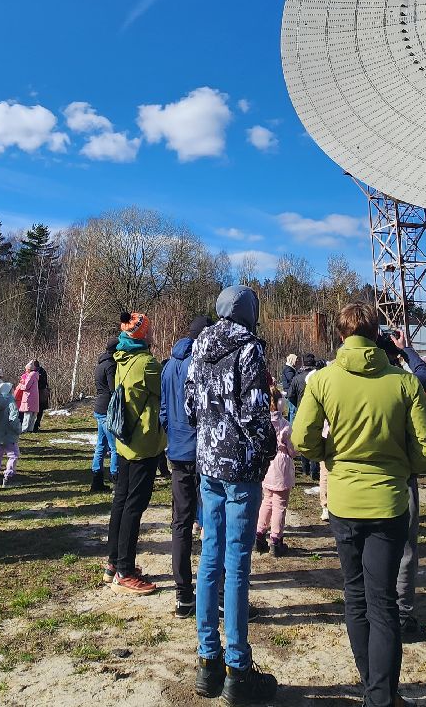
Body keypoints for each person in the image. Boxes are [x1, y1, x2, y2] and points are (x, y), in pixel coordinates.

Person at [293, 303, 426, 707]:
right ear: (377, 334)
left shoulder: (322, 380)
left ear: (340, 336)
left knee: (355, 594)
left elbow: (302, 437)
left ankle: (371, 684)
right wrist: (402, 466)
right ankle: (381, 694)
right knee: (383, 601)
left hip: (343, 500)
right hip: (389, 501)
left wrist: (330, 457)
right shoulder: (403, 383)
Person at [185, 286, 279, 704]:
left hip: (208, 464)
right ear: (249, 314)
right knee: (237, 566)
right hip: (240, 468)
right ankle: (237, 668)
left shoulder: (198, 348)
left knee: (210, 557)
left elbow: (190, 409)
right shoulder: (249, 349)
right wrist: (267, 450)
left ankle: (208, 663)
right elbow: (256, 411)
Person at [380, 328, 426, 643]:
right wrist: (408, 351)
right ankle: (401, 615)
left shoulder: (343, 378)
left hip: (360, 478)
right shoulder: (403, 383)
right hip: (401, 473)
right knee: (404, 548)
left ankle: (372, 609)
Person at [105, 312, 166, 595]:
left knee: (121, 501)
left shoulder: (121, 358)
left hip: (124, 441)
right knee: (134, 506)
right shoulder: (147, 364)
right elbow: (165, 392)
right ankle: (126, 571)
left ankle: (113, 563)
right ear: (141, 334)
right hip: (142, 444)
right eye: (149, 330)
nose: (152, 334)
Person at [162, 316, 208, 619]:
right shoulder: (201, 364)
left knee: (180, 523)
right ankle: (215, 594)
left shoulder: (168, 366)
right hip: (201, 452)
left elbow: (164, 410)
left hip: (177, 452)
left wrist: (172, 436)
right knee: (211, 523)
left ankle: (183, 595)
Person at [255, 398, 295, 557]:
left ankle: (259, 534)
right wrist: (292, 451)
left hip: (267, 464)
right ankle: (276, 540)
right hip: (281, 466)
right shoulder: (285, 425)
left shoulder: (263, 422)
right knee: (280, 504)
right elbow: (293, 449)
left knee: (267, 500)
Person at [92, 337, 119, 491]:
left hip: (99, 407)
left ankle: (96, 478)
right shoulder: (110, 366)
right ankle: (116, 478)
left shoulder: (100, 365)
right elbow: (112, 388)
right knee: (114, 446)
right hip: (107, 409)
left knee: (101, 445)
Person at [289, 353, 321, 480]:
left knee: (302, 439)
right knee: (315, 438)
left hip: (301, 410)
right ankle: (314, 470)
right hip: (317, 411)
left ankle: (305, 469)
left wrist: (297, 404)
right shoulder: (319, 376)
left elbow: (290, 395)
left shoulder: (297, 378)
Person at [0, 376, 21, 485]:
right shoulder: (11, 402)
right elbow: (13, 418)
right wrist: (17, 429)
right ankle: (9, 475)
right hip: (9, 433)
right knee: (13, 454)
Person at [15, 360, 41, 433]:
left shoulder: (30, 375)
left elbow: (26, 386)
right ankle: (30, 429)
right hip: (35, 397)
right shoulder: (36, 374)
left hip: (29, 396)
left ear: (29, 369)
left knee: (27, 414)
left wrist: (21, 386)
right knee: (33, 415)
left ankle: (24, 429)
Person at [35, 361, 50, 431]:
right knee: (40, 410)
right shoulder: (43, 371)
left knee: (38, 409)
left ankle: (36, 424)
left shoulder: (37, 372)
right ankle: (37, 423)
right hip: (43, 392)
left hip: (39, 392)